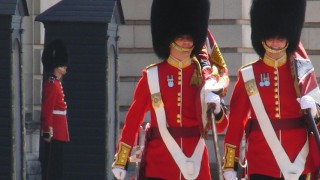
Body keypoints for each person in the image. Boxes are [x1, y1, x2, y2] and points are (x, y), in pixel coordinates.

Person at [111, 0, 228, 179]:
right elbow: (133, 121)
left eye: (190, 37)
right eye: (181, 36)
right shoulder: (152, 76)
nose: (186, 41)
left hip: (196, 161)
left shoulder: (205, 78)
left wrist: (218, 108)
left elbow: (221, 127)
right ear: (169, 39)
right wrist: (122, 159)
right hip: (161, 162)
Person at [222, 0, 320, 179]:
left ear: (288, 39)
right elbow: (236, 125)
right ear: (262, 38)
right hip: (262, 162)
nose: (275, 43)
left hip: (300, 159)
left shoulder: (303, 71)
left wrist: (315, 110)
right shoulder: (248, 75)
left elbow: (317, 118)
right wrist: (230, 165)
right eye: (271, 38)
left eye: (281, 38)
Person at [39, 39, 69, 180]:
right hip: (54, 132)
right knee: (52, 167)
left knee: (58, 165)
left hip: (60, 131)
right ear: (57, 66)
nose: (65, 67)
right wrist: (47, 131)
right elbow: (47, 109)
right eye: (63, 64)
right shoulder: (52, 83)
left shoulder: (56, 83)